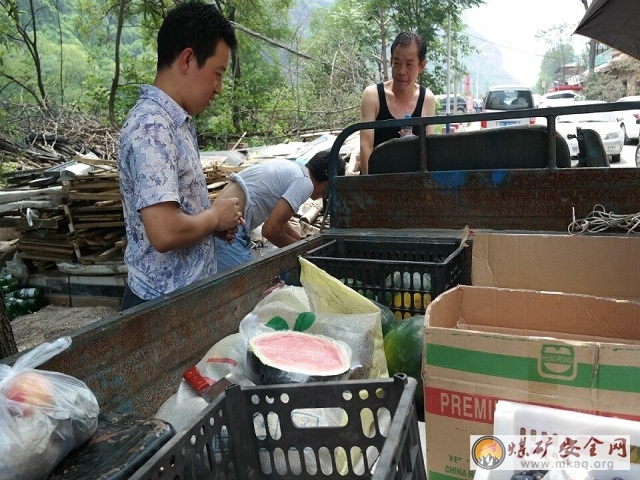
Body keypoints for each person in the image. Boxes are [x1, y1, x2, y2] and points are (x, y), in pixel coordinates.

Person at [117, 2, 244, 310]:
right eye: (217, 73)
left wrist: (210, 223)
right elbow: (164, 231)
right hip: (160, 309)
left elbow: (177, 211)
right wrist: (214, 216)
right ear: (188, 59)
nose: (219, 88)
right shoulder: (152, 126)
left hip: (183, 300)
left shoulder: (177, 121)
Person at [214, 150, 346, 272]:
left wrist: (302, 242)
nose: (325, 195)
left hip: (221, 226)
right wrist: (307, 255)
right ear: (328, 181)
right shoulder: (305, 183)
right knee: (249, 291)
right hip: (228, 233)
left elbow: (281, 223)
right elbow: (270, 230)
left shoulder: (294, 169)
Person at [359, 31, 436, 175]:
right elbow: (366, 146)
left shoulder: (427, 99)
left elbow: (428, 149)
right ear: (390, 61)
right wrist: (370, 188)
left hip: (412, 185)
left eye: (409, 64)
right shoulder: (372, 96)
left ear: (421, 66)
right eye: (397, 63)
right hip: (377, 183)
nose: (401, 71)